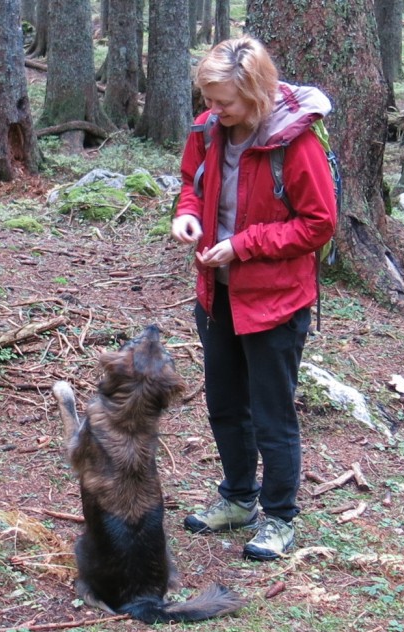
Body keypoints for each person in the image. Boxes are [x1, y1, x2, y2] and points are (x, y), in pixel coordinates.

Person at [171, 36, 337, 561]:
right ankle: (238, 498)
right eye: (209, 100)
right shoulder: (208, 130)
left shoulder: (297, 143)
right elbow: (190, 182)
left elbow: (318, 224)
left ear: (257, 93)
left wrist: (242, 245)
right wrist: (187, 213)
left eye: (225, 102)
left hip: (276, 301)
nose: (213, 112)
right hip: (216, 295)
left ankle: (280, 517)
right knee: (224, 404)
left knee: (272, 414)